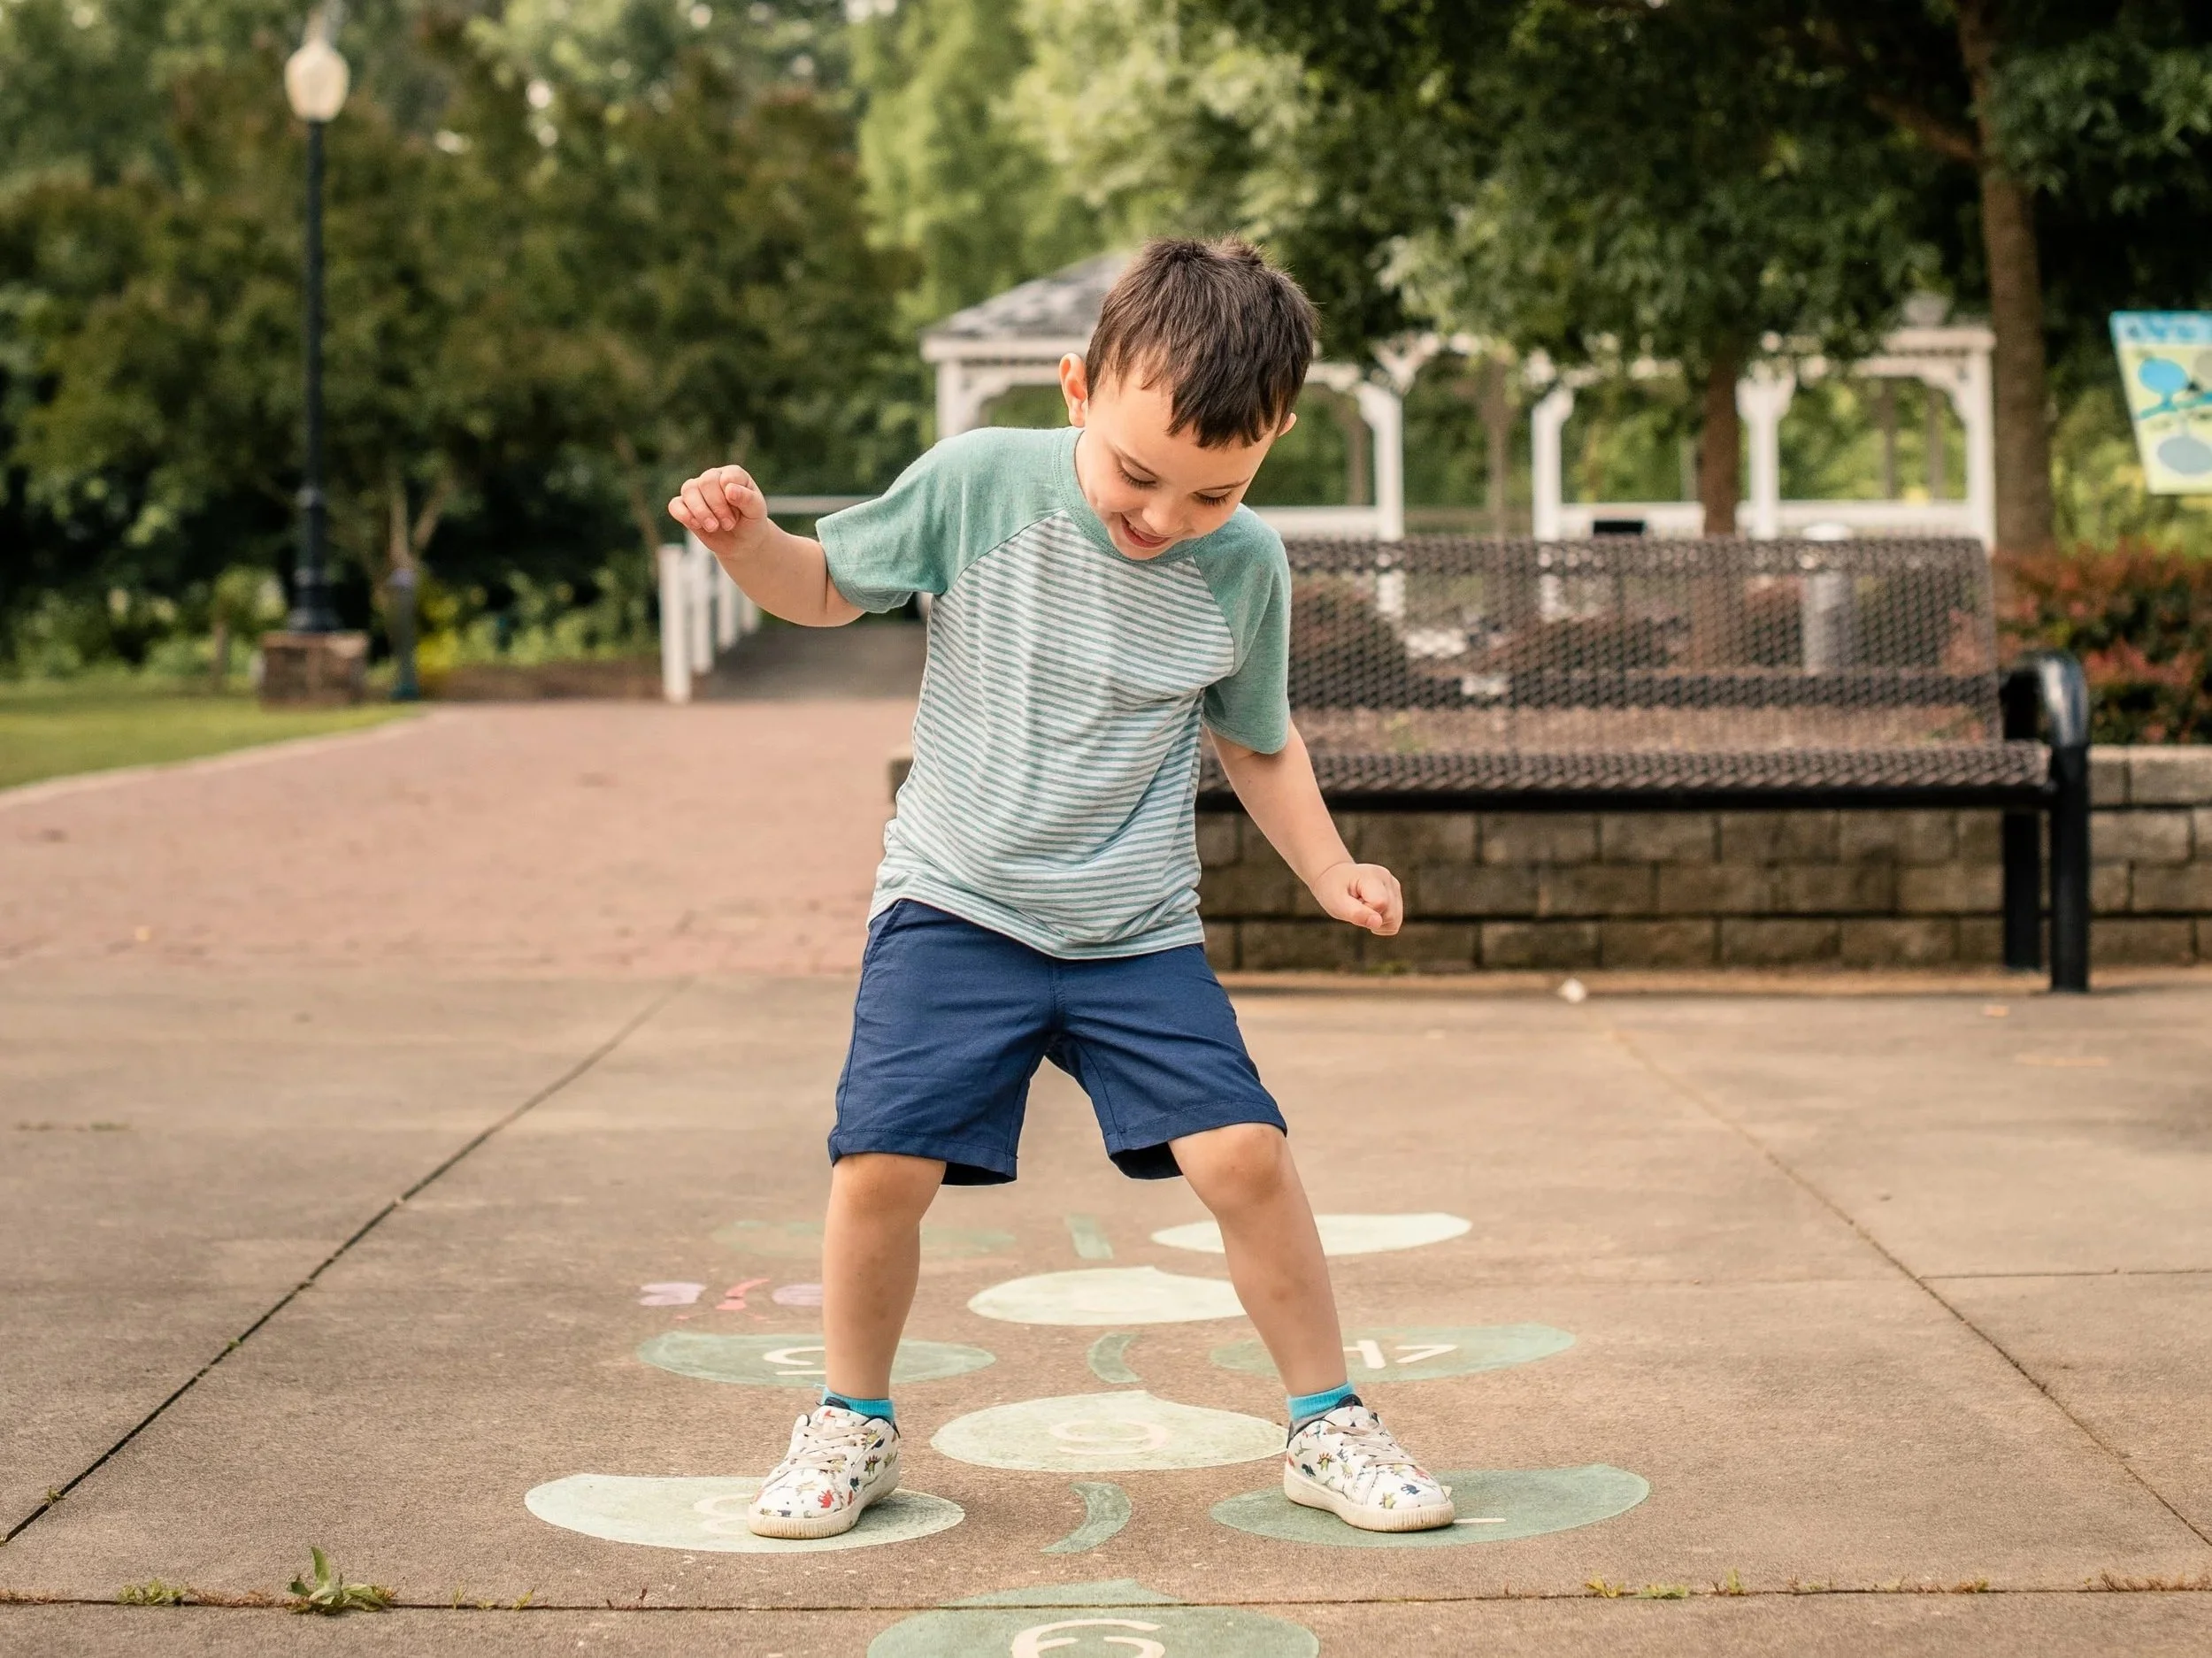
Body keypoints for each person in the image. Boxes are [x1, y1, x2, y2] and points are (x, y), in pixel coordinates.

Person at [667, 237, 1454, 1539]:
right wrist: (751, 543)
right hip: (955, 901)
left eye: (1214, 491)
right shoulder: (981, 483)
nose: (1163, 517)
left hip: (1132, 929)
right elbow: (820, 585)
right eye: (1140, 476)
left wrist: (1329, 866)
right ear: (1078, 388)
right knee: (881, 1165)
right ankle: (850, 1420)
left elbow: (1256, 738)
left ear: (1271, 448)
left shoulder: (1244, 566)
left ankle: (1328, 1422)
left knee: (1248, 1154)